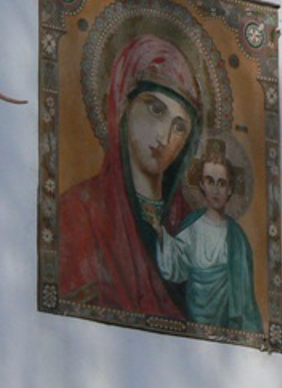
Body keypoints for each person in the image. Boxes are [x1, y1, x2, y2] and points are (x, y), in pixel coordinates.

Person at [57, 34, 201, 318]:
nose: (165, 136)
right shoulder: (78, 209)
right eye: (155, 109)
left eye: (180, 126)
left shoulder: (193, 228)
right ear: (123, 105)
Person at [156, 138, 263, 333]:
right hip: (194, 320)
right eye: (210, 181)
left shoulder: (238, 239)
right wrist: (160, 234)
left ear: (230, 189)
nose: (215, 190)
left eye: (221, 183)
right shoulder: (193, 228)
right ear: (202, 185)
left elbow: (245, 298)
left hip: (227, 327)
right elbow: (175, 266)